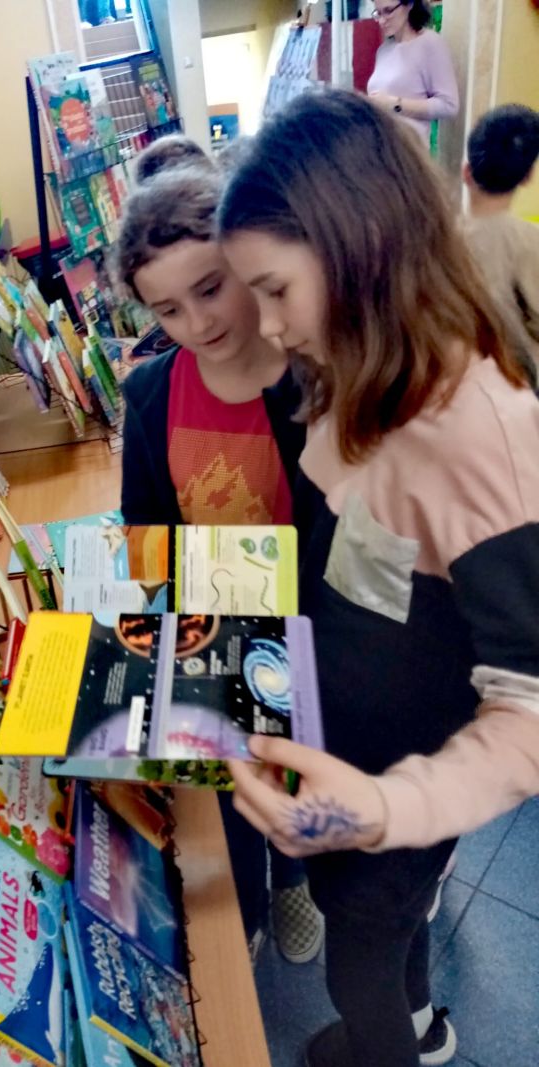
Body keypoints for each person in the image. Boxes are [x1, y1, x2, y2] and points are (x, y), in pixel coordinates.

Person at [218, 90, 539, 1067]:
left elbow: (529, 708)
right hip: (347, 736)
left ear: (357, 245)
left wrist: (382, 808)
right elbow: (351, 555)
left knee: (356, 959)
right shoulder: (356, 367)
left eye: (275, 290)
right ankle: (423, 1024)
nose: (268, 326)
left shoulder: (479, 432)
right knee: (384, 933)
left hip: (396, 780)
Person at [115, 137, 324, 967]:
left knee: (295, 772)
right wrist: (146, 632)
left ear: (244, 260)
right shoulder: (150, 393)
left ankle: (294, 877)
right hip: (214, 627)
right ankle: (252, 892)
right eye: (168, 311)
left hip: (308, 628)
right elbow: (146, 530)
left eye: (210, 289)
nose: (198, 324)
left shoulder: (312, 374)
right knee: (233, 785)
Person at [462, 103, 539, 384]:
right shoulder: (530, 241)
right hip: (515, 381)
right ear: (528, 177)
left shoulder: (437, 239)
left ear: (466, 172)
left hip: (450, 380)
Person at [367, 0, 458, 147]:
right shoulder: (383, 50)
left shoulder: (430, 44)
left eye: (388, 11)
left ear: (409, 4)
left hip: (409, 151)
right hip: (380, 149)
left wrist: (395, 104)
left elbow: (449, 105)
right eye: (378, 13)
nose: (382, 20)